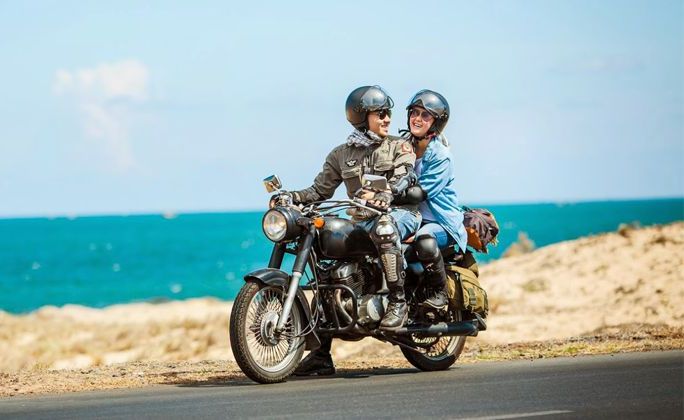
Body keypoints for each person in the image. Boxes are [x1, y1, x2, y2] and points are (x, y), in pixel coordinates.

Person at [291, 85, 421, 375]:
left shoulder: (400, 146)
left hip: (399, 214)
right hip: (362, 220)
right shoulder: (341, 154)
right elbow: (319, 190)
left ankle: (398, 303)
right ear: (362, 118)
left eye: (389, 113)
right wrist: (293, 197)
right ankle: (321, 354)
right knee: (324, 264)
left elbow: (405, 175)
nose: (388, 118)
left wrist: (390, 192)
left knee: (385, 229)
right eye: (381, 114)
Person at [402, 90, 468, 309]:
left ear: (436, 123)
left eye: (425, 115)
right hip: (413, 219)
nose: (417, 119)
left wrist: (386, 192)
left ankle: (440, 293)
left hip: (442, 224)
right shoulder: (403, 146)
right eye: (415, 112)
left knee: (424, 241)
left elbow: (418, 193)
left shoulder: (441, 155)